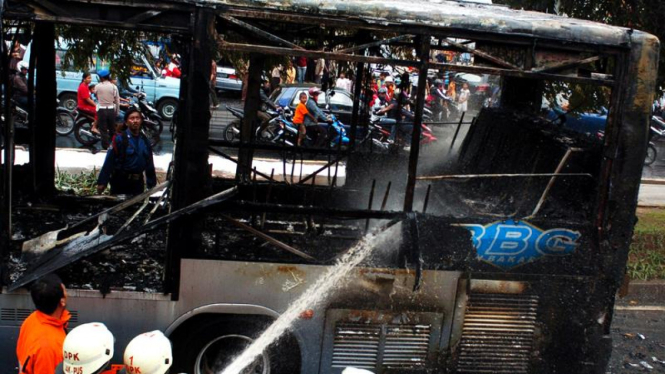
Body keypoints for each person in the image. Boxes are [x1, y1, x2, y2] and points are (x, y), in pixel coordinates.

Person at [16, 274, 71, 374]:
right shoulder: (49, 347)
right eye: (65, 290)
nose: (67, 293)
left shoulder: (31, 320)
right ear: (62, 301)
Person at [96, 106, 157, 195]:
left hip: (138, 184)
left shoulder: (145, 140)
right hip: (120, 182)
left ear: (141, 121)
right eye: (132, 118)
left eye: (137, 118)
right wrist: (102, 182)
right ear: (126, 122)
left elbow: (149, 163)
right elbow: (109, 161)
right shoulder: (119, 139)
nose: (135, 121)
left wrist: (151, 184)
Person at [95, 69, 120, 149]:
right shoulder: (113, 87)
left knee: (103, 130)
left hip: (101, 110)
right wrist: (117, 112)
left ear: (101, 78)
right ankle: (113, 145)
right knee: (112, 129)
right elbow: (117, 101)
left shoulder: (97, 86)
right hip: (111, 110)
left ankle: (105, 147)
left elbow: (95, 95)